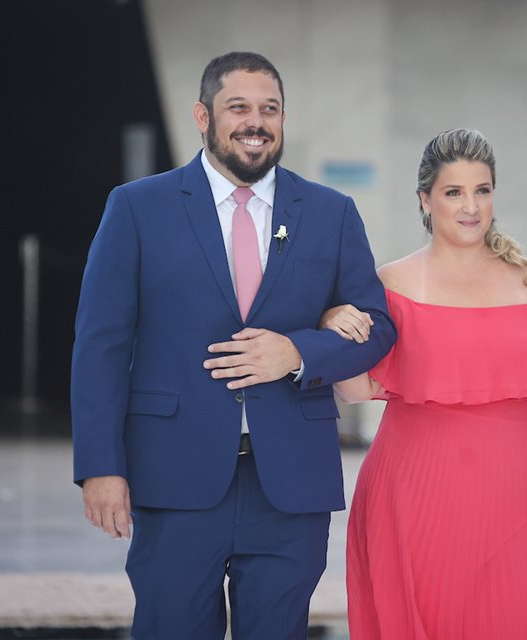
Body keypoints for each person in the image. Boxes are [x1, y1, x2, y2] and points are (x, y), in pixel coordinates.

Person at [70, 51, 396, 639]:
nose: (256, 121)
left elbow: (379, 325)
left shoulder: (330, 212)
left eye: (269, 108)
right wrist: (100, 466)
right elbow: (101, 346)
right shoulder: (137, 207)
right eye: (238, 106)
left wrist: (298, 353)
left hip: (291, 484)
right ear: (202, 115)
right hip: (172, 477)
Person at [321, 128, 527, 638]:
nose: (470, 206)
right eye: (454, 192)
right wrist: (333, 326)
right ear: (425, 199)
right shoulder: (389, 284)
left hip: (515, 501)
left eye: (482, 190)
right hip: (412, 497)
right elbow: (354, 389)